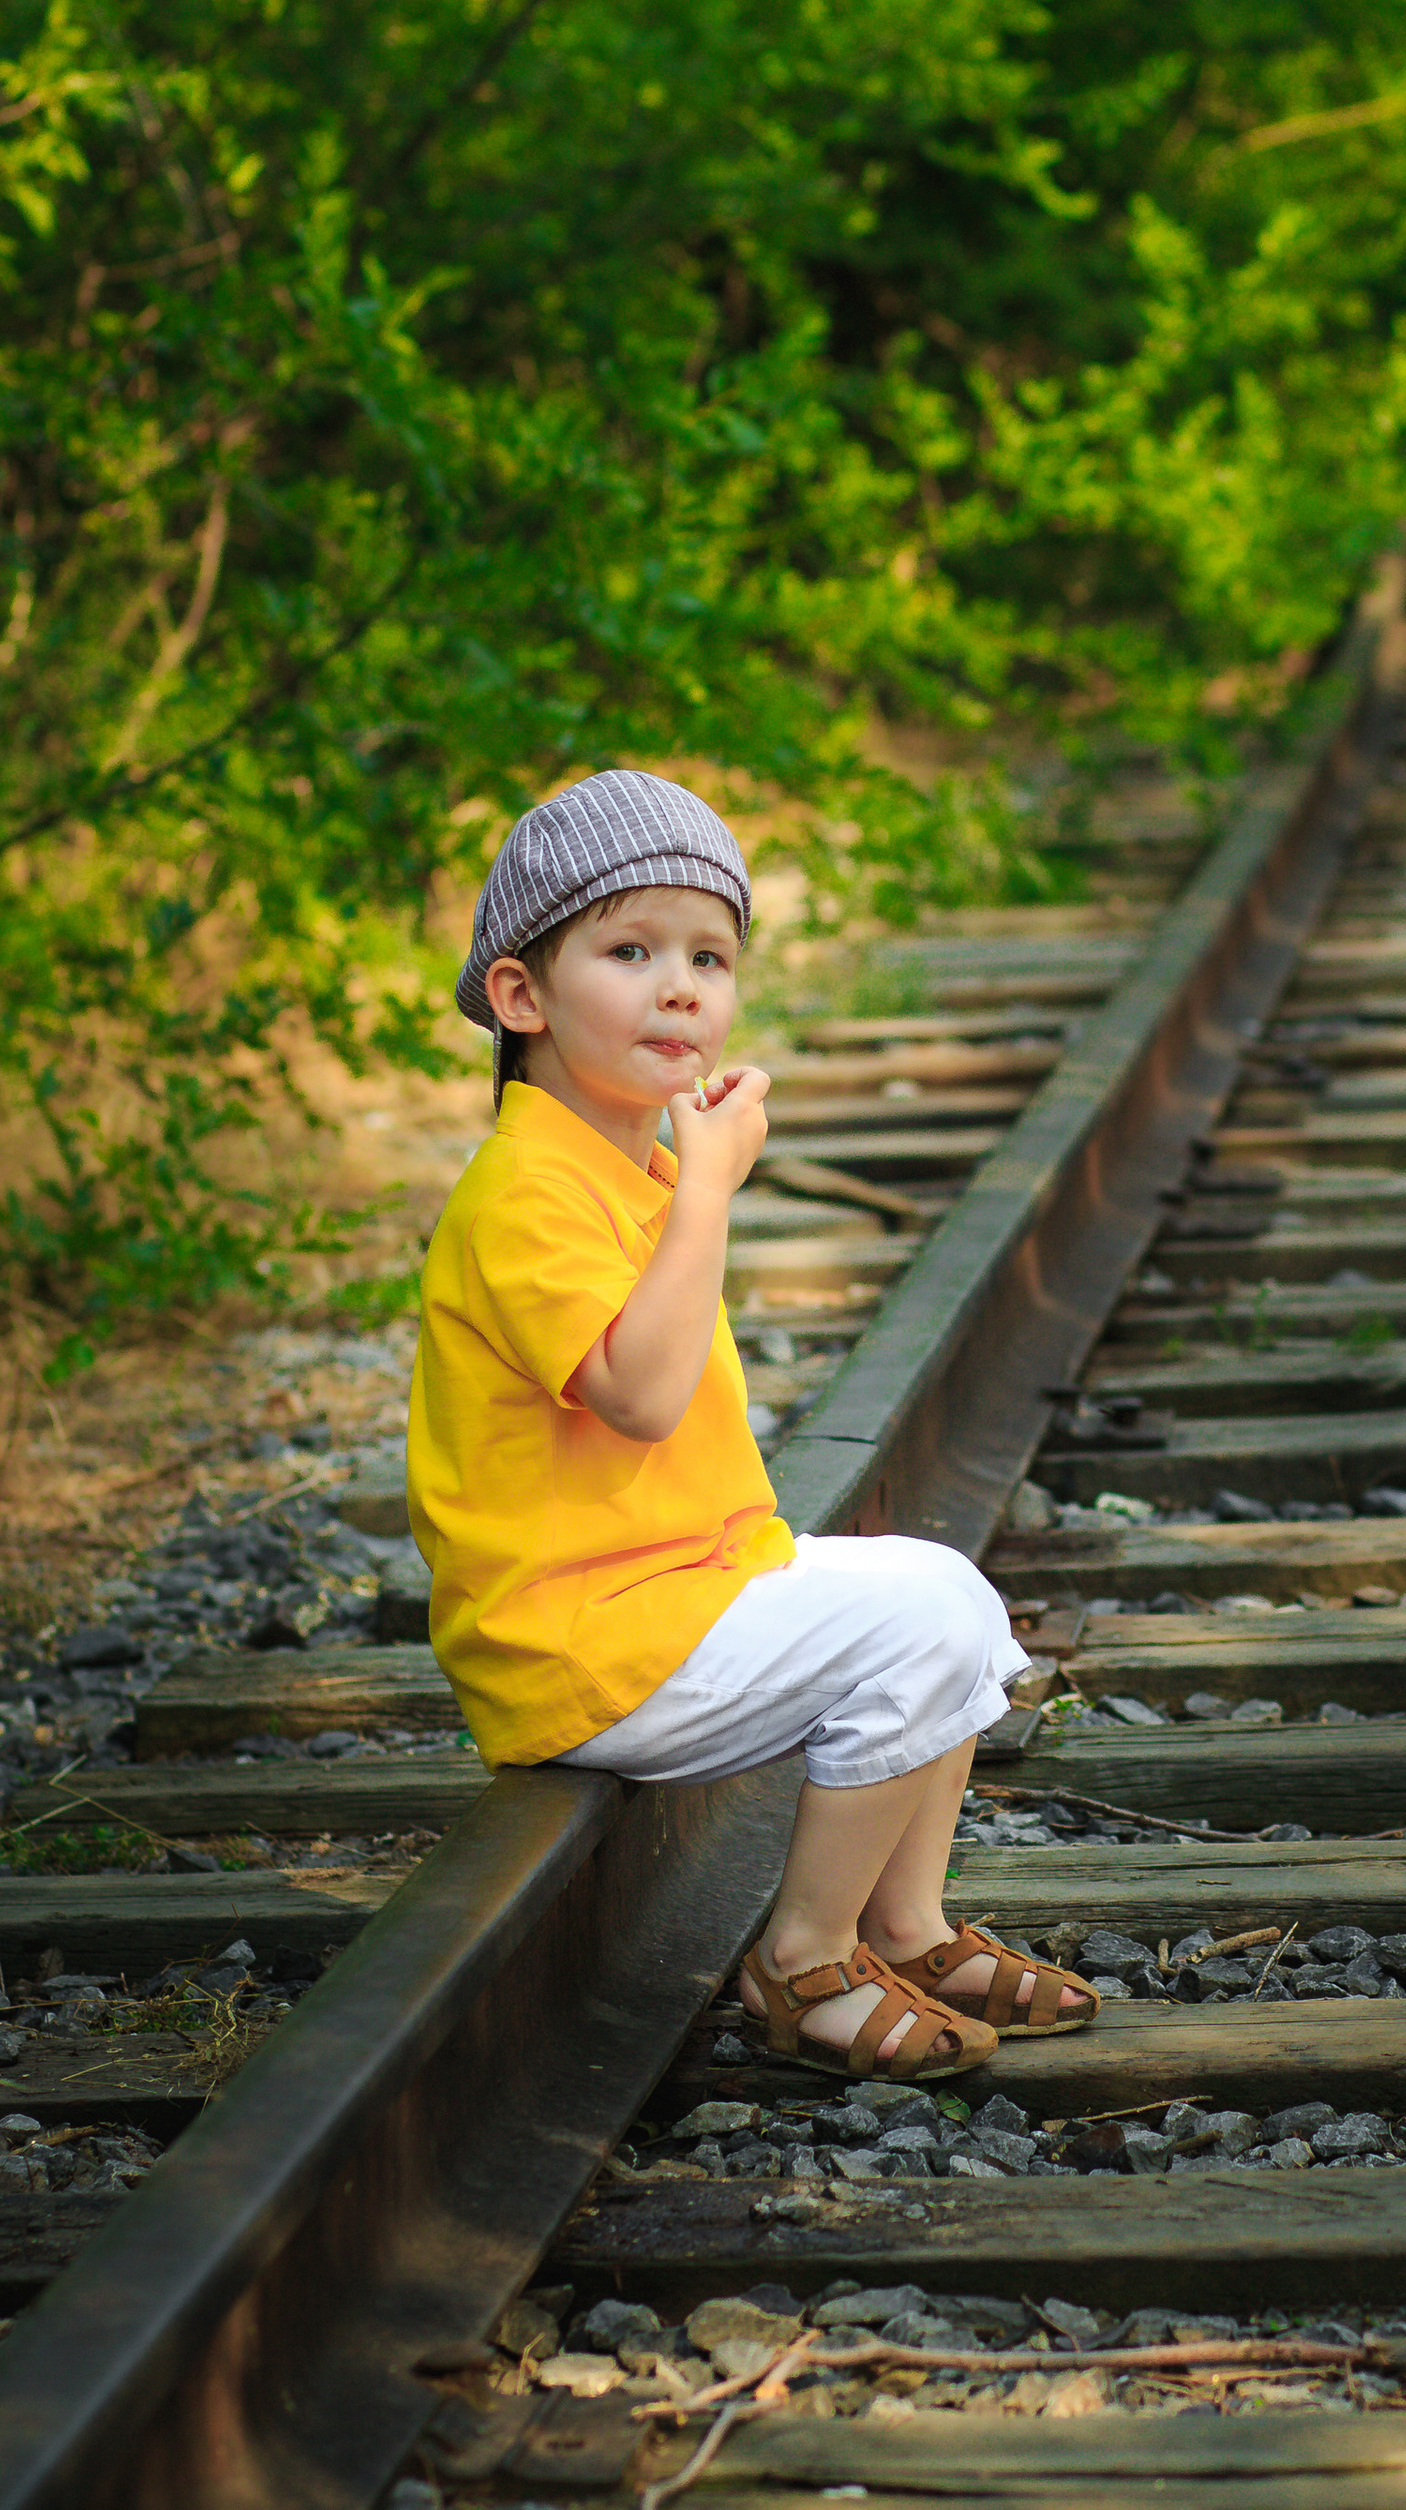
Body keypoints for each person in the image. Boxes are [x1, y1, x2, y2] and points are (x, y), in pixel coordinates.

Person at [407, 768, 1091, 2081]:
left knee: (942, 1587)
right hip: (579, 1641)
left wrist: (690, 1179)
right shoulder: (525, 1191)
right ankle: (803, 1959)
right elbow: (641, 1394)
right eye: (630, 950)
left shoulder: (628, 1166)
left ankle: (909, 1922)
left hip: (670, 1592)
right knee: (917, 1626)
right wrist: (711, 1189)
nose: (681, 987)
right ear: (520, 995)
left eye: (709, 957)